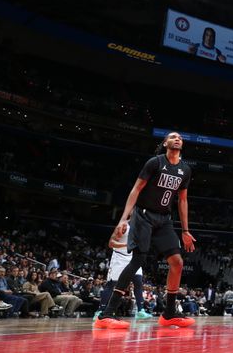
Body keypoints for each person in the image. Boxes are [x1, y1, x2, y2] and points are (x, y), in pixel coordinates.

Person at [94, 131, 196, 329]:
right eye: (173, 137)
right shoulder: (155, 163)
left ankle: (168, 314)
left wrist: (185, 230)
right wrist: (124, 218)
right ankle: (107, 314)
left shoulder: (185, 169)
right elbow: (136, 189)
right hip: (143, 215)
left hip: (164, 219)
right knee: (138, 260)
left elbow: (182, 200)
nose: (177, 139)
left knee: (177, 262)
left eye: (180, 138)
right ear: (165, 143)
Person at [95, 224, 152, 320]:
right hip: (119, 257)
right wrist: (126, 245)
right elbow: (111, 243)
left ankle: (140, 311)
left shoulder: (142, 227)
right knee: (112, 284)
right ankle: (100, 310)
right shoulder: (123, 225)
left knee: (138, 282)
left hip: (132, 257)